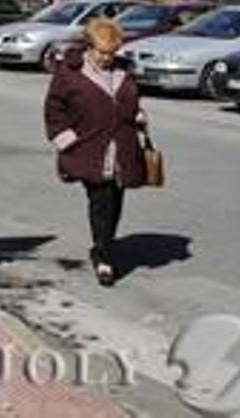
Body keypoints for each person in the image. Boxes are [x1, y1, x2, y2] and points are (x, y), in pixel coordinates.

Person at [42, 17, 148, 286]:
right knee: (101, 202)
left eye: (111, 53)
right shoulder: (69, 72)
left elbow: (131, 100)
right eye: (102, 52)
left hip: (122, 149)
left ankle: (104, 245)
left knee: (115, 203)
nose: (107, 58)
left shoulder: (125, 70)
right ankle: (104, 258)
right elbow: (54, 109)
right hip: (89, 148)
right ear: (89, 47)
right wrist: (66, 139)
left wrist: (137, 114)